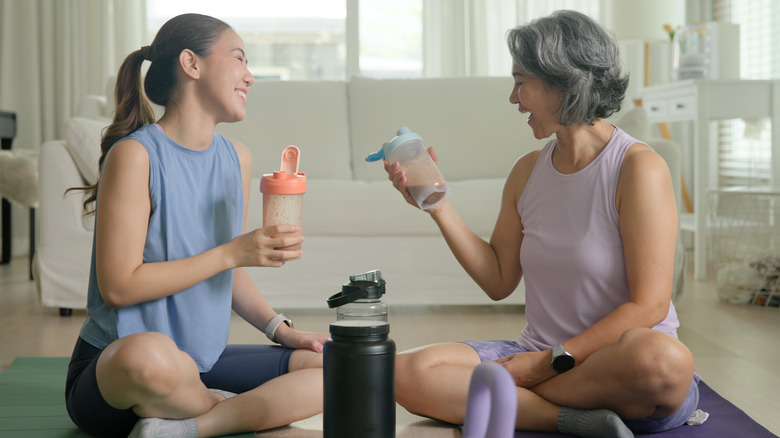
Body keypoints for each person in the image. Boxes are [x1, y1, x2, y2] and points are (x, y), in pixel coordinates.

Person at [384, 10, 697, 438]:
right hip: (536, 355)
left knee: (663, 362)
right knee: (408, 372)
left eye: (520, 82)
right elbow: (498, 281)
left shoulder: (637, 168)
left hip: (615, 360)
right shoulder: (527, 171)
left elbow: (649, 307)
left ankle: (514, 397)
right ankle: (573, 420)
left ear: (563, 82)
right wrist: (438, 207)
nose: (514, 99)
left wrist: (543, 366)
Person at [64, 13, 328, 438]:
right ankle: (227, 408)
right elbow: (119, 286)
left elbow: (227, 267)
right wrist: (233, 251)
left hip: (205, 361)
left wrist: (280, 330)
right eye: (240, 59)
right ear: (192, 64)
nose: (250, 76)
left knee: (334, 367)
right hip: (120, 369)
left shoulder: (236, 159)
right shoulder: (135, 156)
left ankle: (186, 426)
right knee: (148, 355)